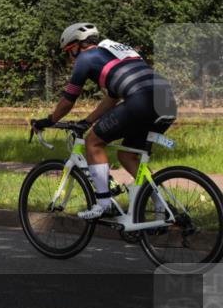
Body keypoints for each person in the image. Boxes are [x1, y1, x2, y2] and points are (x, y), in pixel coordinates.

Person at [32, 23, 177, 220]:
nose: (69, 57)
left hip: (141, 100)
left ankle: (104, 204)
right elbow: (113, 98)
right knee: (128, 156)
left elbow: (68, 101)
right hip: (166, 101)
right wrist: (87, 120)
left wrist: (47, 121)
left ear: (76, 46)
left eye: (68, 51)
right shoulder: (117, 49)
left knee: (93, 142)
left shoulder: (85, 58)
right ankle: (162, 209)